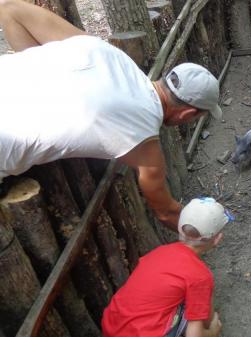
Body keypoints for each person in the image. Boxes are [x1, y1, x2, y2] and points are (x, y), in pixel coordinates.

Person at [0, 0, 222, 230]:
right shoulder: (144, 140)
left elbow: (10, 9)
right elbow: (166, 213)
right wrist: (206, 230)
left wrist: (39, 82)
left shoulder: (104, 50)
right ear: (187, 113)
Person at [102, 197, 231, 337]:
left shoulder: (158, 252)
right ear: (217, 239)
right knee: (201, 300)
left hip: (111, 326)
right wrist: (212, 332)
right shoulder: (200, 275)